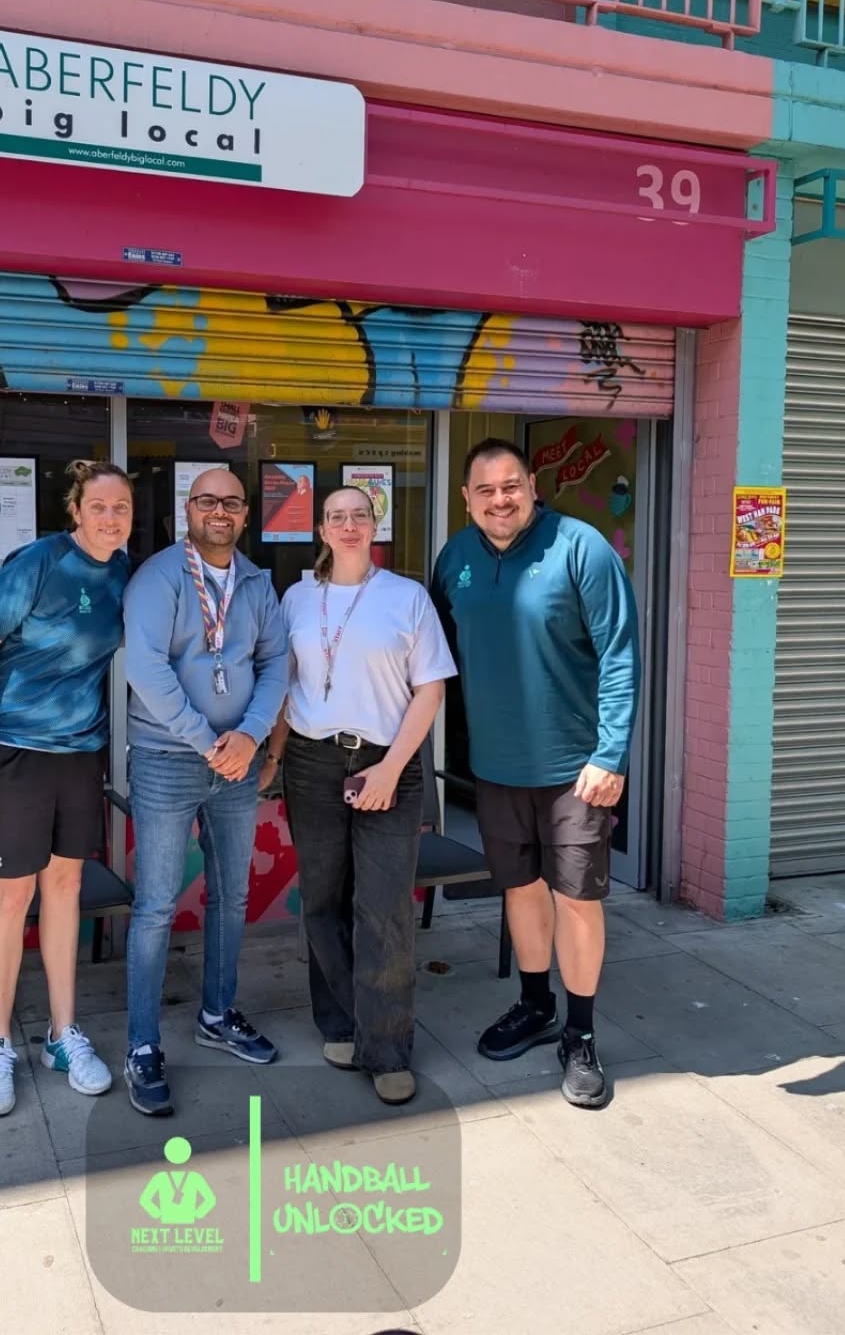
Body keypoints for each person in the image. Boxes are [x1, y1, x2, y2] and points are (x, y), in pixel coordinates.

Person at [431, 438, 640, 1109]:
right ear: (465, 498)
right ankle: (533, 1003)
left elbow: (618, 653)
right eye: (485, 489)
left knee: (576, 898)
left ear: (531, 487)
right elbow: (430, 651)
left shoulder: (581, 549)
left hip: (573, 770)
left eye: (510, 486)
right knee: (520, 891)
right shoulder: (454, 558)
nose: (499, 499)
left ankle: (579, 1033)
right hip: (495, 766)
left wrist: (609, 755)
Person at [0, 459, 133, 1118]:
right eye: (99, 505)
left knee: (65, 887)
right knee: (10, 893)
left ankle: (62, 1034)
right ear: (75, 511)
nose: (111, 517)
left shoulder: (123, 572)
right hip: (9, 751)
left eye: (122, 507)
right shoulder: (39, 562)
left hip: (79, 754)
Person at [265, 486, 456, 1105]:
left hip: (386, 762)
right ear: (320, 528)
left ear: (375, 526)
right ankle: (341, 1022)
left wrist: (389, 770)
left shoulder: (407, 597)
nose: (348, 526)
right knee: (322, 899)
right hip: (312, 761)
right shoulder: (296, 597)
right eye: (336, 517)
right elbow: (285, 685)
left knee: (382, 907)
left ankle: (388, 1047)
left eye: (359, 517)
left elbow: (430, 691)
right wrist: (273, 756)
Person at [122, 468, 289, 1117]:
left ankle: (217, 1015)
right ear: (184, 511)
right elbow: (144, 667)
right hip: (170, 760)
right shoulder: (158, 578)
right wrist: (206, 740)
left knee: (232, 896)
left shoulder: (254, 582)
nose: (218, 511)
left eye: (230, 502)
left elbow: (277, 662)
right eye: (206, 501)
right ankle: (141, 1047)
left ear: (245, 515)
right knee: (157, 907)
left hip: (237, 765)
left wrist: (248, 738)